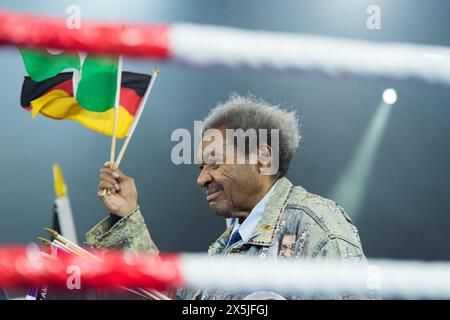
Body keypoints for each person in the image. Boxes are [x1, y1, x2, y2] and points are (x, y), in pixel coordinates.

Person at [86, 94, 365, 299]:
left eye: (214, 162)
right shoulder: (228, 245)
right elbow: (176, 297)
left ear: (263, 158)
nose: (201, 179)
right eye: (200, 166)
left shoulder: (317, 224)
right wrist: (128, 215)